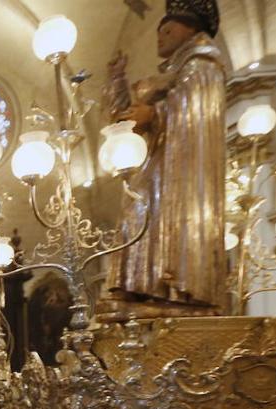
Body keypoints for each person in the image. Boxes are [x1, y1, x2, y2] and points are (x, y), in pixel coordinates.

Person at [99, 0, 227, 321]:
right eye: (159, 30)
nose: (161, 36)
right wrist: (117, 80)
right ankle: (141, 291)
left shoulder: (202, 65)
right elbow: (121, 120)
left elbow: (194, 112)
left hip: (181, 173)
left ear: (191, 29)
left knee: (142, 210)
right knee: (135, 212)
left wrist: (155, 113)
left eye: (167, 30)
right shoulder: (173, 71)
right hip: (158, 157)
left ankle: (176, 294)